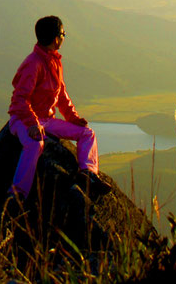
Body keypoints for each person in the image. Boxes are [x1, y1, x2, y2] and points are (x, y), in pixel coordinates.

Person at [7, 15, 110, 201]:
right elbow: (19, 100)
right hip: (22, 119)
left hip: (46, 121)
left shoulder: (54, 62)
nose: (64, 37)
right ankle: (17, 195)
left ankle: (88, 173)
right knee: (35, 143)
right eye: (63, 33)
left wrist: (73, 118)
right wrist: (31, 123)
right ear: (56, 38)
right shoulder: (34, 64)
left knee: (87, 133)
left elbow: (61, 95)